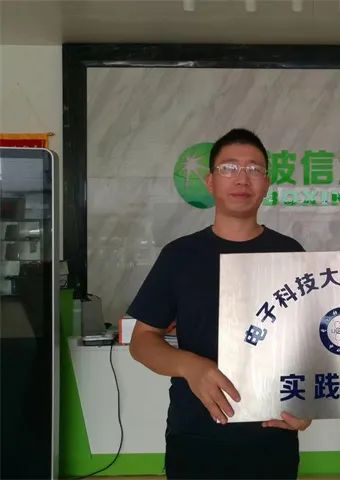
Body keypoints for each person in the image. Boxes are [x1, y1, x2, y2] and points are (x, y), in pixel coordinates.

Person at [128, 128, 311, 479]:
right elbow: (142, 341)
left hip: (272, 434)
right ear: (210, 182)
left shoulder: (289, 254)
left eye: (254, 169)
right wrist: (190, 366)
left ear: (267, 183)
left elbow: (310, 343)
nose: (242, 178)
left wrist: (310, 404)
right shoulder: (180, 255)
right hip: (196, 434)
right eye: (229, 168)